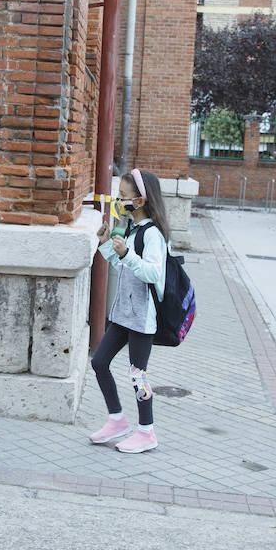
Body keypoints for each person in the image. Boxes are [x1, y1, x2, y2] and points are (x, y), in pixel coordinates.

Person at [88, 168, 171, 454]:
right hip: (124, 313)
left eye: (123, 196)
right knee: (99, 362)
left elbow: (152, 273)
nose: (117, 200)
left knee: (138, 374)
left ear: (140, 201)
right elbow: (124, 267)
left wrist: (127, 254)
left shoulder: (153, 235)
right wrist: (106, 244)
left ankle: (147, 432)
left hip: (142, 318)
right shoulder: (132, 229)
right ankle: (117, 420)